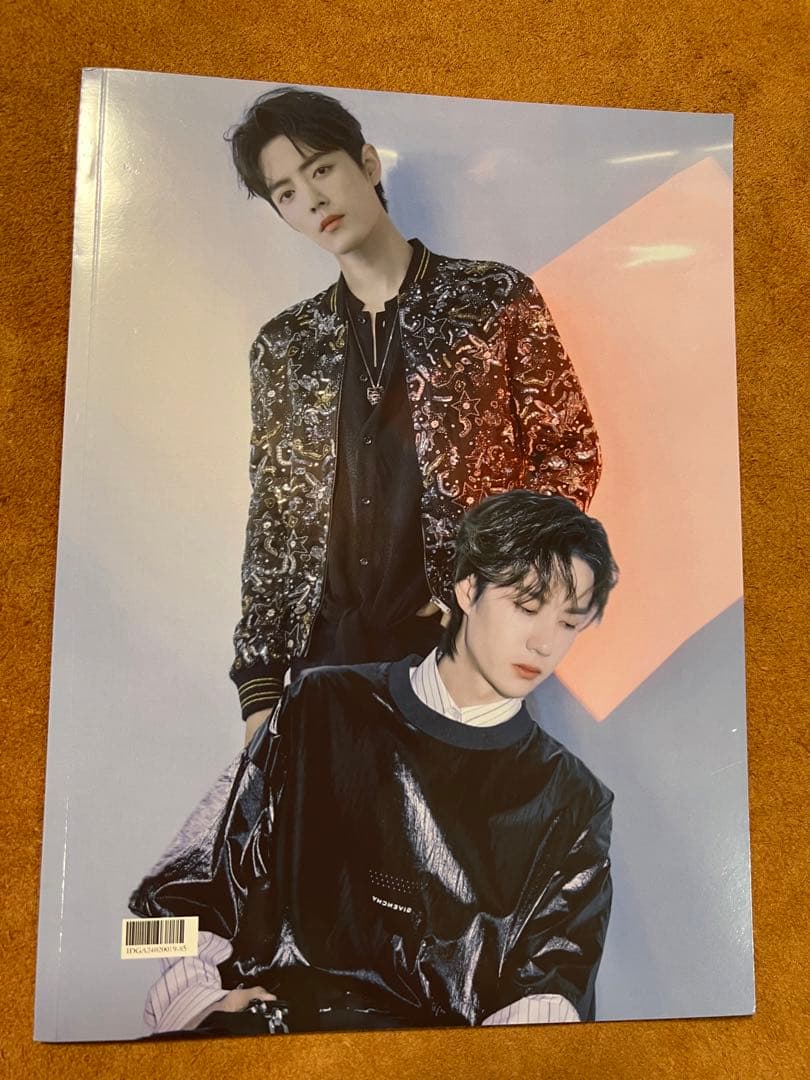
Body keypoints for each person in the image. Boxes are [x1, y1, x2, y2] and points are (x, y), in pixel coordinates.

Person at [130, 491, 618, 1034]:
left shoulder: (574, 800)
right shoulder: (319, 706)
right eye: (527, 606)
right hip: (277, 1040)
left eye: (568, 623)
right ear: (467, 589)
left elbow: (551, 995)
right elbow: (178, 890)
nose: (545, 643)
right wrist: (194, 1002)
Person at [226, 87, 603, 739]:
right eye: (285, 192)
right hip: (330, 664)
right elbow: (275, 523)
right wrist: (260, 687)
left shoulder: (491, 299)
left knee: (469, 809)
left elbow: (569, 449)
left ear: (367, 164)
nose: (311, 198)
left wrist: (499, 586)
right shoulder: (286, 347)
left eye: (321, 169)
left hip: (461, 657)